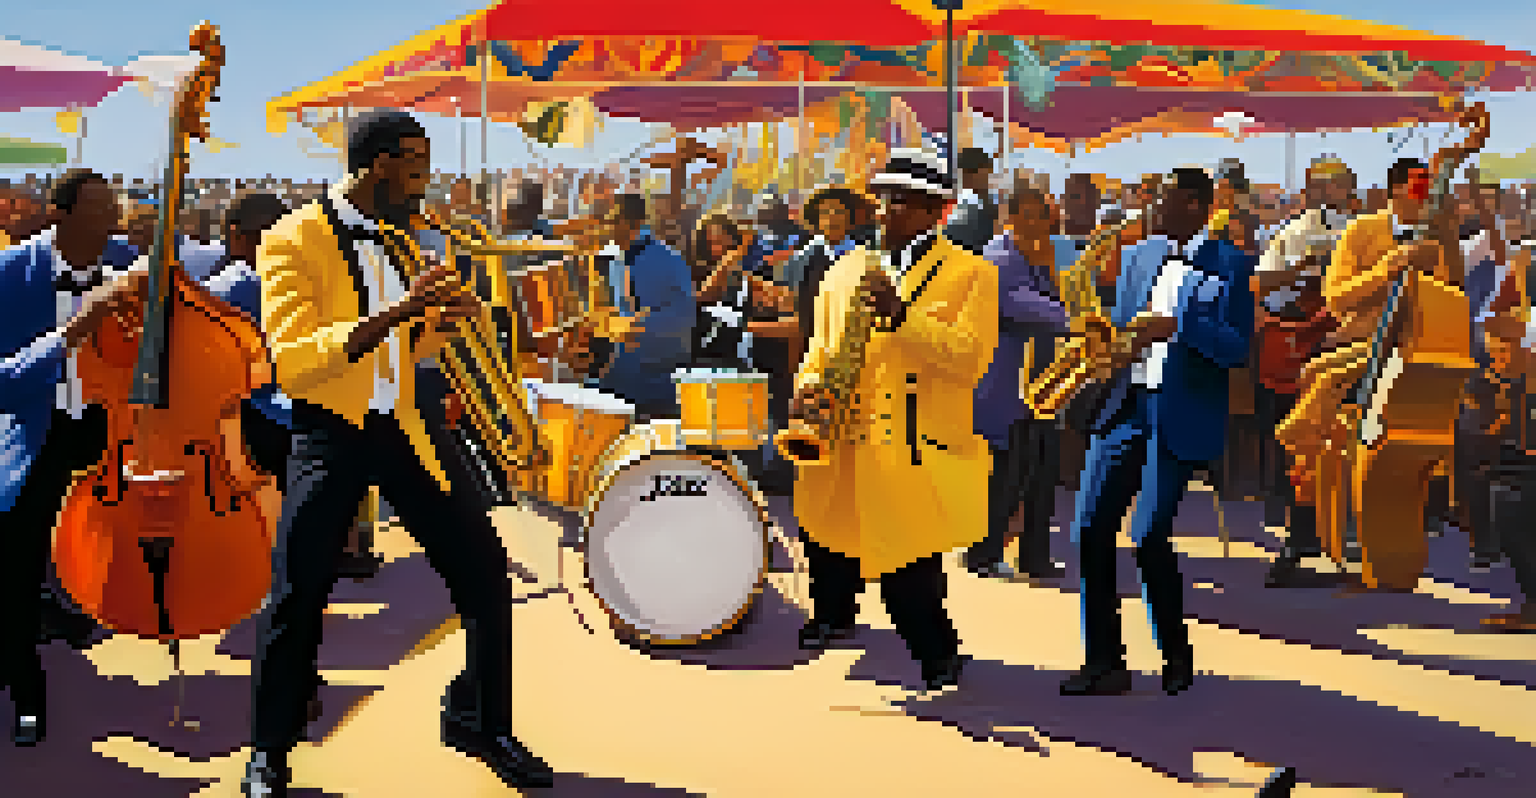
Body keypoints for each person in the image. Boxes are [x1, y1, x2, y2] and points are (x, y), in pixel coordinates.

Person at [242, 111, 551, 795]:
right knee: (298, 591)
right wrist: (401, 311)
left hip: (407, 426)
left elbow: (402, 351)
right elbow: (295, 363)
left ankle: (479, 720)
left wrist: (446, 323)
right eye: (417, 166)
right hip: (330, 431)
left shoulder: (402, 238)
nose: (424, 182)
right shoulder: (291, 238)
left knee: (485, 572)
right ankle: (268, 749)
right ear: (381, 163)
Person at [791, 146, 997, 692]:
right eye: (883, 198)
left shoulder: (973, 274)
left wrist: (902, 318)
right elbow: (819, 347)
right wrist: (808, 389)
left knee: (908, 565)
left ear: (936, 210)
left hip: (911, 443)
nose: (886, 210)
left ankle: (939, 655)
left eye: (902, 201)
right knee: (824, 535)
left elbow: (969, 359)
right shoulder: (846, 269)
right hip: (841, 433)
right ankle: (832, 615)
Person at [1061, 167, 1255, 697]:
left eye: (1162, 199)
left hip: (1179, 413)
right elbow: (1123, 324)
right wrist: (1101, 341)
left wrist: (1178, 327)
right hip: (1124, 405)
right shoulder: (1138, 255)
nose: (1151, 207)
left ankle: (1175, 654)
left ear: (1193, 204)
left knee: (1148, 535)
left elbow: (1237, 349)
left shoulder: (1232, 263)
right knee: (1089, 530)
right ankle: (1104, 662)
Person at [0, 169, 147, 746]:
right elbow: (4, 382)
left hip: (105, 431)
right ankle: (26, 694)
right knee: (16, 566)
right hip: (33, 436)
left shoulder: (126, 265)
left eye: (113, 209)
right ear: (58, 214)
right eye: (98, 209)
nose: (112, 220)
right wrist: (75, 329)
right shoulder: (11, 272)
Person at [1255, 158, 1353, 586]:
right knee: (1295, 444)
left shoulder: (1360, 232)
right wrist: (1298, 271)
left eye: (1335, 185)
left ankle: (1322, 536)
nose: (1327, 193)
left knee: (1333, 446)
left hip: (1340, 345)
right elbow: (1261, 284)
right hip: (1294, 346)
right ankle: (1299, 538)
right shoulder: (1290, 233)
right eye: (1320, 185)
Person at [965, 181, 1068, 581]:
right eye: (1030, 215)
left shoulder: (1038, 255)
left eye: (1043, 215)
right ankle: (983, 554)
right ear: (1009, 217)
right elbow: (1018, 304)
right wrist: (1070, 315)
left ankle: (1035, 557)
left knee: (1042, 471)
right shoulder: (998, 257)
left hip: (1040, 384)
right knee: (1006, 475)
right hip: (1005, 386)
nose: (1039, 223)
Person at [591, 193, 696, 420]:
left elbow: (684, 318)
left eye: (613, 220)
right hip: (617, 381)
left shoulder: (668, 261)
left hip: (654, 387)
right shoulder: (615, 261)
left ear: (633, 222)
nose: (607, 227)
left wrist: (634, 326)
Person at [945, 147, 999, 255]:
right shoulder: (961, 206)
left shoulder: (997, 203)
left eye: (973, 170)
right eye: (964, 172)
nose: (968, 177)